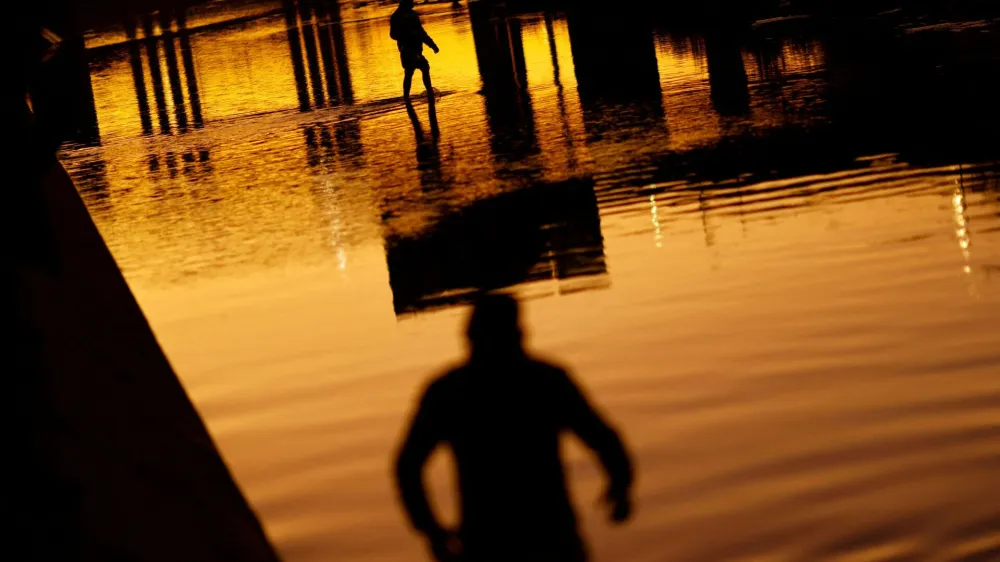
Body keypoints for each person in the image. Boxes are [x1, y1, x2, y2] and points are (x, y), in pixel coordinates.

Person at [394, 294, 634, 561]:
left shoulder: (448, 392)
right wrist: (620, 485)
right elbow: (603, 438)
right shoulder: (547, 381)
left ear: (469, 336)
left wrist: (432, 531)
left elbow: (407, 466)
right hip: (551, 540)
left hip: (486, 543)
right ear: (520, 334)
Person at [390, 0, 439, 103]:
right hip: (407, 49)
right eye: (411, 1)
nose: (413, 2)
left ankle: (409, 97)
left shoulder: (411, 14)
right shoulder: (397, 16)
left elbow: (421, 32)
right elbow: (393, 34)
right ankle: (425, 94)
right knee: (418, 69)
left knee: (415, 70)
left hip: (415, 49)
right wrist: (407, 34)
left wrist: (432, 45)